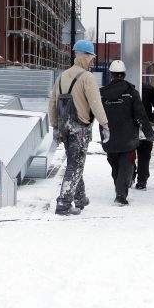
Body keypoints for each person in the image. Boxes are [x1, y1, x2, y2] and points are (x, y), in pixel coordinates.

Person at [48, 40, 109, 215]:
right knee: (76, 165)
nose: (92, 61)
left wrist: (55, 126)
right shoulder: (87, 77)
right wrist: (104, 124)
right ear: (84, 56)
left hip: (64, 129)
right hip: (80, 129)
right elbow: (95, 103)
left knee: (74, 162)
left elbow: (52, 103)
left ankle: (80, 198)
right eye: (91, 58)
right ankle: (63, 204)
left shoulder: (61, 77)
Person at [100, 60, 154, 205]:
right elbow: (141, 115)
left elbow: (94, 112)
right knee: (126, 165)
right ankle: (120, 195)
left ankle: (119, 188)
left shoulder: (102, 93)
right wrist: (148, 133)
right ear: (124, 74)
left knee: (115, 164)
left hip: (109, 137)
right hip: (128, 137)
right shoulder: (131, 93)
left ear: (111, 74)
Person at [133, 83, 154, 190]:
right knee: (144, 156)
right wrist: (152, 119)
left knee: (127, 154)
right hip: (146, 126)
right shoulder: (148, 88)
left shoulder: (126, 87)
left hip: (129, 127)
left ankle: (130, 175)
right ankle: (142, 181)